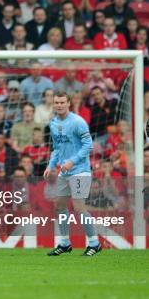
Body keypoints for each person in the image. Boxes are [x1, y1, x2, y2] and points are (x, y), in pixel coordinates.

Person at [44, 92, 99, 256]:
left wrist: (72, 161)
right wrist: (50, 165)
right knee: (59, 204)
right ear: (54, 104)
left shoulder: (77, 122)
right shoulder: (53, 123)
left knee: (79, 207)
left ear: (68, 103)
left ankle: (94, 243)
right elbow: (57, 148)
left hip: (80, 170)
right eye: (56, 102)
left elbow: (88, 145)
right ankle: (65, 243)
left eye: (62, 102)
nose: (59, 105)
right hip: (64, 172)